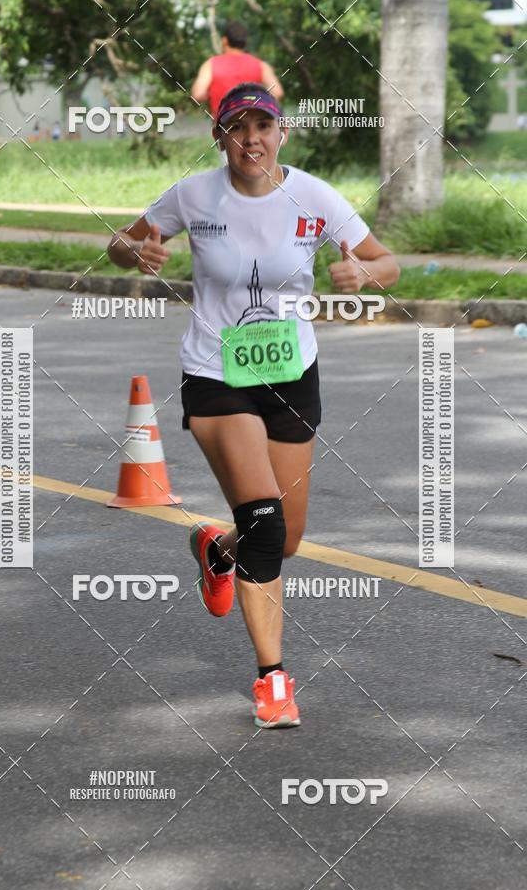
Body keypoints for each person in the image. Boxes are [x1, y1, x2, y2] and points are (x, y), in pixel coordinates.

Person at [107, 83, 400, 729]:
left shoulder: (315, 198)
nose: (251, 140)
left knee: (285, 538)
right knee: (266, 526)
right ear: (220, 138)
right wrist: (141, 250)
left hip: (292, 374)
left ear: (282, 132)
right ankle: (273, 681)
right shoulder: (193, 196)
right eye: (236, 128)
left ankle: (219, 550)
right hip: (216, 374)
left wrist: (361, 276)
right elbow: (119, 244)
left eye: (262, 125)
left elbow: (388, 264)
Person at [191, 22, 283, 120]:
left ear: (224, 41)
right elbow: (277, 92)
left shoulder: (211, 65)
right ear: (245, 42)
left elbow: (198, 94)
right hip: (253, 125)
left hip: (225, 126)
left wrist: (212, 94)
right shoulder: (260, 65)